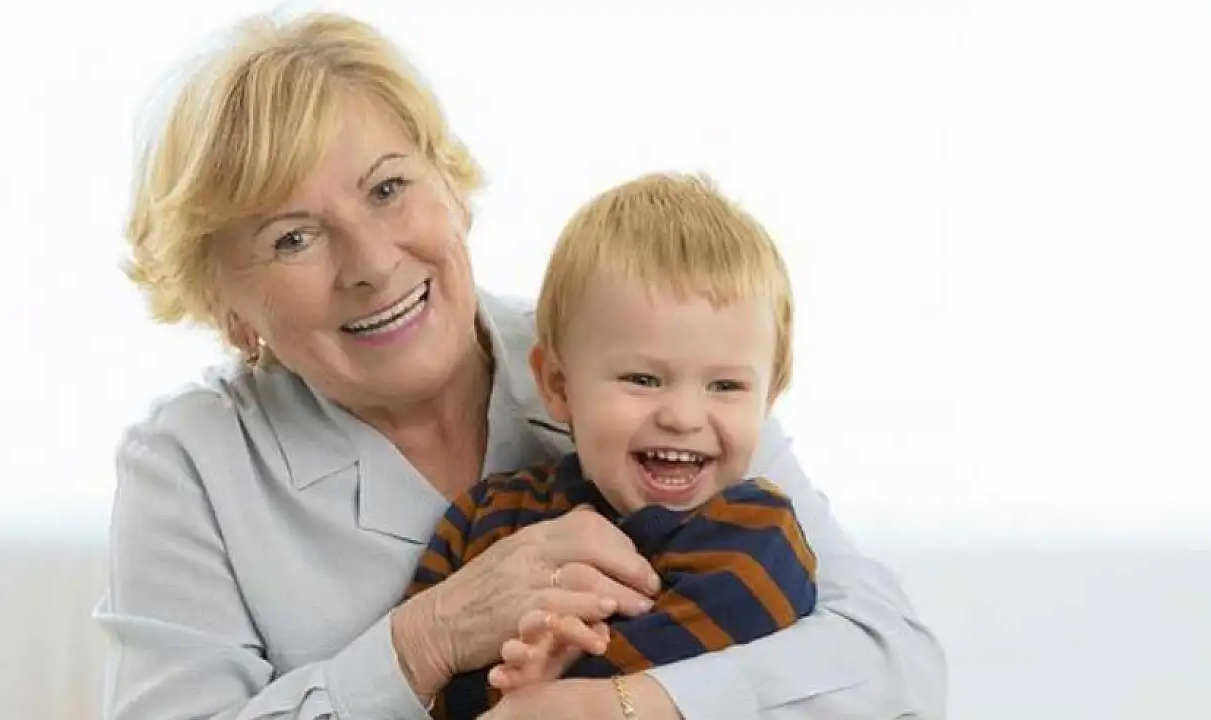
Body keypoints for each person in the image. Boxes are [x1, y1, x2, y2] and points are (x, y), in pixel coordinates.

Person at [94, 10, 946, 720]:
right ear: (228, 308)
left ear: (451, 186)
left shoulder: (638, 356)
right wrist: (425, 640)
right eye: (293, 238)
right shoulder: (190, 465)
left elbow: (893, 660)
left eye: (388, 188)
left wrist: (623, 707)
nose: (372, 263)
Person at [406, 172, 820, 719]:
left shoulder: (757, 534)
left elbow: (703, 650)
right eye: (642, 380)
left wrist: (548, 689)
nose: (682, 417)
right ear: (558, 385)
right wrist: (500, 688)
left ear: (770, 396)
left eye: (725, 386)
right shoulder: (485, 517)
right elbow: (416, 694)